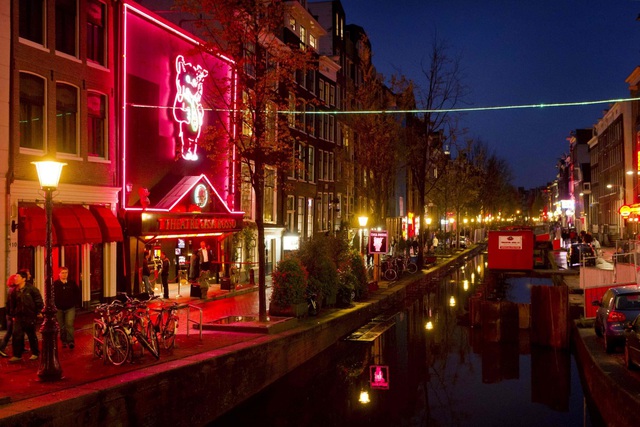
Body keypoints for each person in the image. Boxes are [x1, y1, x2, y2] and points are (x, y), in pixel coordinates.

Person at [9, 270, 43, 362]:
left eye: (18, 277)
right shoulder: (14, 291)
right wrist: (12, 314)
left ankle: (35, 353)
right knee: (16, 335)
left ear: (23, 279)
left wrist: (39, 311)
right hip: (19, 316)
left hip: (30, 315)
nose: (15, 279)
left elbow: (38, 300)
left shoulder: (32, 289)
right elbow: (12, 304)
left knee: (31, 335)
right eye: (15, 277)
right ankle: (17, 355)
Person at [54, 266, 79, 349]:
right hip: (59, 308)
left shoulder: (72, 283)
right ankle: (64, 341)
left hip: (70, 307)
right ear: (59, 274)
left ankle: (71, 341)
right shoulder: (55, 284)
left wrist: (75, 303)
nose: (65, 274)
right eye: (63, 273)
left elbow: (77, 293)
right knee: (62, 326)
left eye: (66, 273)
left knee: (69, 324)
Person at [0, 274, 17, 357]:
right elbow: (11, 304)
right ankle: (1, 348)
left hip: (10, 314)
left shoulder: (12, 290)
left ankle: (19, 348)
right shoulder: (12, 290)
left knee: (14, 332)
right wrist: (12, 315)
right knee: (9, 332)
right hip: (11, 315)